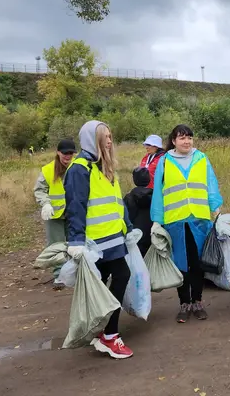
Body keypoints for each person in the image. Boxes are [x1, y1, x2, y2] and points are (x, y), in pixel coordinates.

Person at [65, 121, 137, 359]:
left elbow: (118, 202)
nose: (109, 141)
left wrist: (128, 227)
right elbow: (76, 206)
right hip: (94, 243)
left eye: (110, 136)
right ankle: (110, 335)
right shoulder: (80, 169)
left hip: (112, 240)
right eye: (104, 137)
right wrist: (75, 242)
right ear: (90, 139)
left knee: (115, 278)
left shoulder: (105, 168)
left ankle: (105, 331)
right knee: (116, 278)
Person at [150, 124, 223, 323]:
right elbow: (158, 191)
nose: (187, 141)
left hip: (199, 219)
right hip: (175, 220)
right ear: (173, 141)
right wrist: (157, 220)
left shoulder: (201, 158)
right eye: (182, 138)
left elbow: (211, 183)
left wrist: (215, 206)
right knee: (181, 264)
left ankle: (198, 301)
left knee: (198, 262)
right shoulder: (164, 161)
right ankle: (184, 303)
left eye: (189, 137)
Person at [33, 139, 76, 280]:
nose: (68, 156)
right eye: (65, 153)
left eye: (71, 153)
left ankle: (74, 272)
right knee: (56, 245)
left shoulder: (77, 167)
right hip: (55, 214)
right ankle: (59, 274)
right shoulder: (48, 170)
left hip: (73, 213)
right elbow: (40, 190)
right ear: (58, 153)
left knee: (75, 243)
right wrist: (45, 204)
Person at [123, 167, 153, 256]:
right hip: (152, 235)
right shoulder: (156, 197)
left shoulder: (129, 198)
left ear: (134, 180)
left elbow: (126, 217)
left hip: (136, 237)